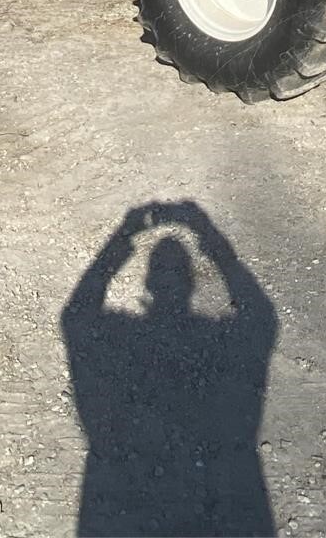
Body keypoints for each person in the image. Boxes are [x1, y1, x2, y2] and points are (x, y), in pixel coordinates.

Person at [60, 201, 278, 537]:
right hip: (219, 501)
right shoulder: (217, 342)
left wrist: (122, 238)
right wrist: (212, 242)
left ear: (146, 285)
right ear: (193, 284)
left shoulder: (122, 340)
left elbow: (76, 318)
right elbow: (261, 320)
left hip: (123, 505)